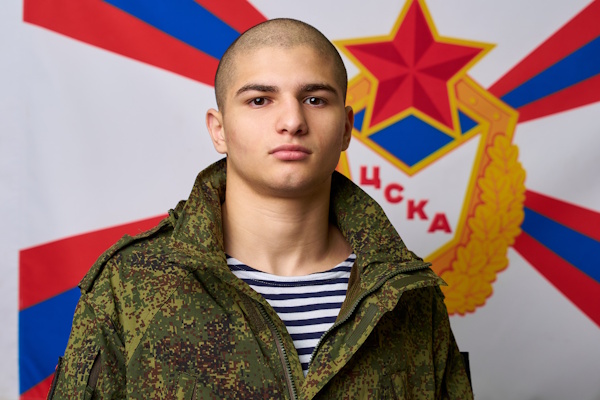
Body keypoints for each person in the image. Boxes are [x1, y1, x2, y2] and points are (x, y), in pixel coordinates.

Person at [48, 18, 473, 399]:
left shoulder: (406, 293)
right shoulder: (130, 284)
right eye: (259, 100)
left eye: (315, 99)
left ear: (346, 128)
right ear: (219, 130)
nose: (292, 121)